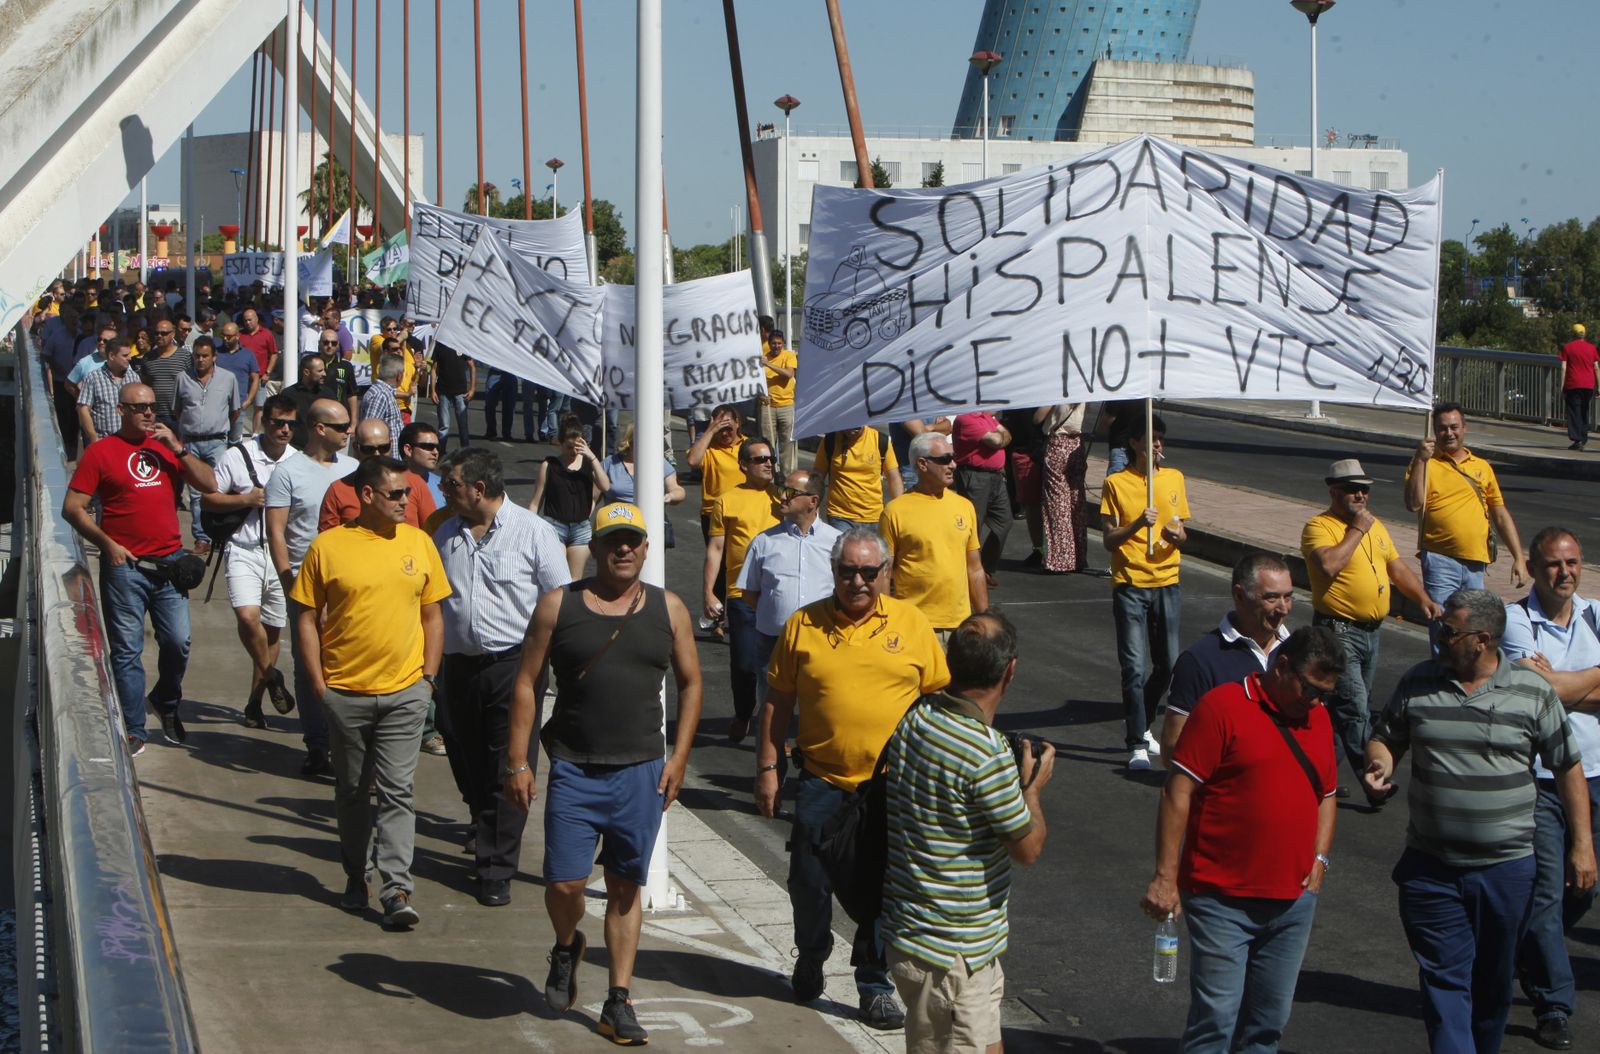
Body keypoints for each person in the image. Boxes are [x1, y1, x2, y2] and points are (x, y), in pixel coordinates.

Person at [504, 502, 703, 1046]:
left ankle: (619, 1000)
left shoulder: (670, 609)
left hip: (641, 772)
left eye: (632, 540)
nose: (623, 549)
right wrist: (518, 760)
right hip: (574, 768)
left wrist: (679, 757)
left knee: (624, 886)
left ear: (646, 547)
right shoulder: (558, 605)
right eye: (613, 540)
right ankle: (567, 944)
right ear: (593, 547)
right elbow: (526, 682)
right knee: (563, 883)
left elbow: (691, 683)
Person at [1365, 589, 1597, 1054]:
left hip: (1507, 871)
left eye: (1450, 632)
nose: (1439, 637)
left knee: (1492, 983)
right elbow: (1387, 737)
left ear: (1483, 640)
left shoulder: (1532, 692)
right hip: (1431, 868)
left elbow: (1568, 767)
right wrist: (1380, 764)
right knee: (1444, 981)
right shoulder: (1418, 681)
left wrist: (1582, 845)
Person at [756, 527, 949, 1030]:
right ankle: (812, 953)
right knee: (808, 881)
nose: (857, 581)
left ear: (886, 572)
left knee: (882, 888)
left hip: (891, 787)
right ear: (834, 571)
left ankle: (874, 984)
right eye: (848, 571)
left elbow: (936, 701)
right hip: (822, 782)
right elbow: (777, 703)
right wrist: (768, 768)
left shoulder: (912, 623)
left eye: (868, 571)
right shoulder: (803, 625)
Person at [1141, 626, 1346, 1054]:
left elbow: (1326, 794)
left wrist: (1321, 859)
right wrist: (1165, 877)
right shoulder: (1222, 707)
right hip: (1221, 898)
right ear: (1282, 666)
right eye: (1310, 689)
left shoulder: (1319, 717)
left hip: (1292, 902)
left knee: (1268, 1022)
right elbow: (1177, 792)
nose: (1316, 702)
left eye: (1325, 694)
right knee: (1216, 1018)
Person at [290, 456, 451, 930]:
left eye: (408, 493)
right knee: (352, 791)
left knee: (398, 791)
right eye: (396, 494)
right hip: (346, 693)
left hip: (406, 693)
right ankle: (355, 874)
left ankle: (396, 888)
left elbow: (433, 615)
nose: (406, 501)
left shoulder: (419, 542)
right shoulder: (327, 547)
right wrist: (318, 684)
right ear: (366, 496)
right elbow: (305, 618)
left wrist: (428, 680)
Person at [882, 611, 1054, 1054]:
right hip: (950, 954)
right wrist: (1032, 790)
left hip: (935, 940)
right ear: (1010, 671)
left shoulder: (918, 715)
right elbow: (1028, 848)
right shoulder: (985, 754)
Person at [430, 448, 571, 905]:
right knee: (464, 752)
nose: (444, 491)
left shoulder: (533, 532)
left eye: (451, 484)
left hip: (516, 666)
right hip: (458, 665)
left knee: (509, 762)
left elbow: (560, 599)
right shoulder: (444, 534)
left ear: (479, 488)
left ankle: (496, 867)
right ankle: (481, 819)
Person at [62, 383, 217, 751]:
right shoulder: (101, 453)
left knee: (178, 642)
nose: (149, 413)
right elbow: (72, 508)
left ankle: (165, 700)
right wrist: (107, 544)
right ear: (121, 410)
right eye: (139, 408)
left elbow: (209, 484)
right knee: (127, 651)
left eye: (152, 407)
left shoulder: (166, 447)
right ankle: (133, 729)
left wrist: (178, 447)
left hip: (170, 565)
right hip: (125, 568)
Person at [1503, 528, 1600, 1050]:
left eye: (1572, 563)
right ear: (1534, 569)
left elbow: (1550, 687)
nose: (1565, 573)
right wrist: (1594, 678)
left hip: (1597, 774)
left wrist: (1560, 684)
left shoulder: (1596, 615)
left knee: (1585, 885)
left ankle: (1528, 948)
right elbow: (1533, 688)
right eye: (1553, 565)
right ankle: (1553, 1004)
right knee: (1545, 891)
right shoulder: (1516, 621)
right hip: (1540, 778)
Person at [1303, 458, 1442, 800]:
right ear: (1334, 492)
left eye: (1364, 490)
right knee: (1355, 710)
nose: (1361, 496)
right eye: (1352, 489)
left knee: (1341, 712)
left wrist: (1423, 599)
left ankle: (1317, 778)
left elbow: (1396, 568)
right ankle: (1374, 779)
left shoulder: (1375, 526)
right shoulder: (1319, 527)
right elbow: (1330, 565)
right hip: (1338, 632)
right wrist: (1357, 530)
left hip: (1371, 633)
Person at [265, 398, 358, 776]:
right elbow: (276, 531)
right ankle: (317, 745)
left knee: (345, 662)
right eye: (342, 426)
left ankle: (344, 742)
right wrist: (288, 579)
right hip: (307, 584)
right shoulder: (287, 473)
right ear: (320, 429)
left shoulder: (354, 469)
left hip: (352, 584)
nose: (349, 432)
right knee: (309, 665)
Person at [203, 393, 300, 728]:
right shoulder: (238, 455)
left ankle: (254, 705)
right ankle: (273, 676)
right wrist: (244, 500)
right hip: (243, 550)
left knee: (272, 633)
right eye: (278, 423)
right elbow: (208, 499)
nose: (285, 430)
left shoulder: (298, 461)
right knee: (247, 618)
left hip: (282, 554)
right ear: (264, 422)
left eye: (291, 424)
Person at [1101, 413, 1190, 771]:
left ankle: (1142, 720)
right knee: (1134, 667)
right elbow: (1109, 539)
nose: (1157, 444)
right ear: (1134, 442)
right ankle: (1137, 742)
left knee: (1168, 664)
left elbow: (1183, 532)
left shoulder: (1174, 478)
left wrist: (1175, 536)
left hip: (1168, 581)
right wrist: (1138, 523)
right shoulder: (1116, 483)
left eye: (1161, 438)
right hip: (1131, 583)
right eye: (1152, 438)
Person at [1405, 403, 1529, 641]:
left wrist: (1519, 558)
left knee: (1472, 629)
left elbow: (1500, 514)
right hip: (1440, 560)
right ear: (1434, 431)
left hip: (1475, 563)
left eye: (1454, 427)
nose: (1449, 433)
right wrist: (1420, 460)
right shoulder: (1426, 464)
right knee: (1445, 627)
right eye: (1442, 428)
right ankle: (1443, 666)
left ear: (1464, 428)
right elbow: (1413, 504)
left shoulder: (1482, 467)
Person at [1158, 553, 1295, 763]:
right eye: (1272, 598)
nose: (1283, 609)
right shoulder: (1199, 661)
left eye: (1288, 597)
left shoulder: (1298, 652)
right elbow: (1172, 749)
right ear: (1239, 595)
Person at [735, 469, 840, 714]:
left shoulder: (837, 541)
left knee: (818, 709)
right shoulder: (764, 541)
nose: (782, 496)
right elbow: (749, 593)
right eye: (782, 489)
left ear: (813, 501)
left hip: (821, 641)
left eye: (790, 492)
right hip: (773, 641)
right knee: (771, 709)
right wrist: (774, 613)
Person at [703, 438, 780, 742]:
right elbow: (716, 549)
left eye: (770, 458)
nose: (768, 463)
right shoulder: (726, 500)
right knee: (745, 664)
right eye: (760, 459)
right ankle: (744, 712)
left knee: (780, 669)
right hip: (741, 594)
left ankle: (775, 731)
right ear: (744, 465)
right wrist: (709, 592)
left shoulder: (783, 497)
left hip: (778, 594)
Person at [879, 431, 986, 640]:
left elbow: (974, 569)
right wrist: (884, 621)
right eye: (945, 459)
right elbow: (884, 572)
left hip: (960, 626)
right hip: (915, 627)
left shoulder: (965, 507)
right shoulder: (894, 512)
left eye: (953, 457)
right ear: (922, 464)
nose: (953, 464)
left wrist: (984, 619)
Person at [175, 336, 243, 557]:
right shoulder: (182, 378)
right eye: (197, 356)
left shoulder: (228, 378)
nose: (200, 360)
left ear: (214, 357)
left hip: (217, 442)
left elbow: (235, 411)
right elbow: (178, 410)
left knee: (220, 489)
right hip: (191, 442)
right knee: (196, 493)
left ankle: (220, 534)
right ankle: (202, 537)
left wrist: (228, 436)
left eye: (205, 356)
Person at [528, 416, 612, 580]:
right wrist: (529, 527)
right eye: (569, 447)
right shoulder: (549, 465)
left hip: (580, 528)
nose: (573, 452)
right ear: (560, 443)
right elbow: (536, 502)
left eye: (577, 447)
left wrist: (592, 457)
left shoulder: (588, 464)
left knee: (574, 580)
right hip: (554, 527)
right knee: (557, 578)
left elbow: (605, 486)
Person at [319, 418, 437, 530]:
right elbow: (329, 540)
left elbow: (433, 533)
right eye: (369, 449)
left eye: (384, 448)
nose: (377, 454)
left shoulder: (415, 483)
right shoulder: (338, 491)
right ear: (356, 448)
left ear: (391, 445)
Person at [1037, 402, 1098, 574]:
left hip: (1058, 443)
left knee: (1057, 503)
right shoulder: (1084, 395)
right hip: (1077, 444)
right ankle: (1079, 556)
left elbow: (1038, 418)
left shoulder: (1057, 393)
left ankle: (1061, 558)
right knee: (1076, 502)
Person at [951, 410, 1011, 583]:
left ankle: (984, 567)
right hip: (975, 476)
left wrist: (1002, 436)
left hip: (996, 477)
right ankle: (970, 573)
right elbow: (997, 441)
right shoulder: (965, 418)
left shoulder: (987, 417)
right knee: (972, 527)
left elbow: (1007, 436)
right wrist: (1001, 436)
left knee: (1004, 522)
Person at [814, 424, 902, 531]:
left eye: (857, 427)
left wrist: (900, 511)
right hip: (839, 516)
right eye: (849, 425)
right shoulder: (830, 441)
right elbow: (817, 477)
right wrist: (814, 509)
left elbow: (894, 478)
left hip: (873, 518)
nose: (852, 430)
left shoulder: (881, 441)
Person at [599, 423, 687, 508]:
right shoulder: (609, 463)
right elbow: (594, 497)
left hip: (649, 516)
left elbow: (677, 490)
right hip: (617, 516)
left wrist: (671, 496)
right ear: (629, 442)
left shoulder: (659, 462)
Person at [76, 335, 139, 445]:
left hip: (130, 441)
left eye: (129, 354)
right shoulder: (93, 378)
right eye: (125, 355)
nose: (130, 358)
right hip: (104, 441)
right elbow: (83, 409)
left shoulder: (134, 377)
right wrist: (93, 437)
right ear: (111, 356)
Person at [136, 317, 192, 428]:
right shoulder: (148, 358)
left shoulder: (185, 356)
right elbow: (146, 383)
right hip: (156, 415)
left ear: (173, 334)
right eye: (156, 333)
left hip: (179, 415)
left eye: (164, 333)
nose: (159, 336)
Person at [212, 321, 261, 443]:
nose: (225, 339)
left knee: (234, 440)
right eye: (223, 335)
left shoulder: (248, 355)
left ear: (237, 336)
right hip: (217, 404)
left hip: (238, 406)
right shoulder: (216, 353)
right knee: (217, 439)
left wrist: (249, 400)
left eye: (228, 336)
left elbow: (255, 378)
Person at [757, 329, 798, 473]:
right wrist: (760, 396)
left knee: (788, 443)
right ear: (769, 344)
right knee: (767, 443)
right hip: (768, 406)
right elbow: (755, 381)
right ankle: (770, 474)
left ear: (783, 343)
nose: (776, 346)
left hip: (786, 406)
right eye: (774, 343)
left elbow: (788, 374)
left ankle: (788, 476)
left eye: (779, 343)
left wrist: (768, 364)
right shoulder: (762, 358)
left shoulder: (789, 355)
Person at [429, 340, 476, 452]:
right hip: (443, 391)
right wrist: (433, 391)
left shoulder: (462, 343)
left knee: (463, 425)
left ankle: (465, 452)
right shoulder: (440, 345)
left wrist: (472, 388)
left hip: (461, 392)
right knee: (444, 426)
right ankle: (441, 452)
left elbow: (472, 366)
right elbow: (433, 369)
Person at [284, 354, 339, 449]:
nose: (324, 374)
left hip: (323, 449)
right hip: (296, 448)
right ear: (306, 372)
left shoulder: (328, 394)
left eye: (324, 370)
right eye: (320, 371)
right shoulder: (289, 394)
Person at [1558, 324, 1598, 451]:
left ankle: (1577, 439)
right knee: (1584, 411)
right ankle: (1583, 437)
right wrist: (1599, 386)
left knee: (1574, 411)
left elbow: (1563, 367)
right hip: (1588, 384)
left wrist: (1562, 386)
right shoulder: (1592, 348)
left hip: (1573, 384)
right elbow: (1596, 367)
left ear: (1573, 334)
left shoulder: (1567, 348)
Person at [358, 353, 406, 456]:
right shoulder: (381, 395)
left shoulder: (382, 392)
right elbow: (369, 433)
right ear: (399, 376)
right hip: (383, 460)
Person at [399, 421, 445, 508]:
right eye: (428, 447)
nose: (435, 452)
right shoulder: (390, 484)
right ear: (408, 450)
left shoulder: (443, 486)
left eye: (438, 448)